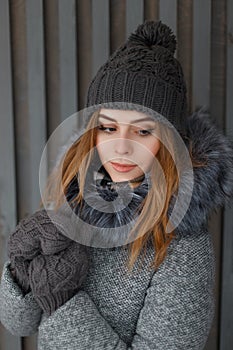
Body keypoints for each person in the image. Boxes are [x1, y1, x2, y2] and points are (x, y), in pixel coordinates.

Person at [0, 20, 233, 350]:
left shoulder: (183, 249)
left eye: (142, 131)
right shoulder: (73, 199)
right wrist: (21, 269)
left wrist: (64, 304)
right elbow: (19, 324)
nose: (122, 147)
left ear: (170, 142)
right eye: (109, 128)